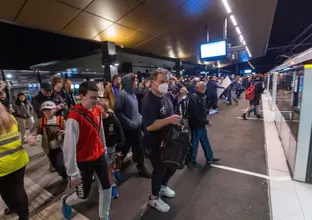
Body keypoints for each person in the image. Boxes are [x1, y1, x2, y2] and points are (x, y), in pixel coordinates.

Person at [61, 82, 111, 220]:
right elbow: (69, 148)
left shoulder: (97, 111)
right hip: (83, 162)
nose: (96, 101)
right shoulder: (74, 118)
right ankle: (66, 201)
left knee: (106, 188)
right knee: (83, 196)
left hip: (99, 156)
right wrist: (73, 173)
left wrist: (104, 148)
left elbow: (100, 132)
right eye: (93, 97)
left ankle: (104, 216)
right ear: (81, 96)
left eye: (97, 97)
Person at [142, 68, 182, 212]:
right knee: (160, 169)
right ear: (153, 82)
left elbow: (170, 108)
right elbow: (150, 126)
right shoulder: (148, 101)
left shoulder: (164, 95)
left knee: (171, 166)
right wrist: (169, 120)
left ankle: (163, 187)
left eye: (167, 81)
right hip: (154, 143)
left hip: (167, 140)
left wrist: (178, 98)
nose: (165, 84)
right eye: (162, 81)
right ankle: (153, 198)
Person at [114, 73, 151, 178]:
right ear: (128, 83)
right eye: (134, 81)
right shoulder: (122, 95)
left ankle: (141, 169)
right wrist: (128, 122)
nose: (136, 83)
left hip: (136, 127)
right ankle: (113, 171)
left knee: (139, 149)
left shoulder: (133, 94)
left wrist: (139, 117)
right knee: (123, 151)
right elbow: (118, 112)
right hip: (128, 129)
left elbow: (135, 109)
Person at [0, 102, 29, 220]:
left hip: (2, 165)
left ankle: (12, 207)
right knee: (18, 188)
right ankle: (24, 216)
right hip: (19, 160)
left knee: (4, 190)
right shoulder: (10, 118)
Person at [28, 101, 68, 184]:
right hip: (48, 148)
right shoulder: (40, 122)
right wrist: (32, 137)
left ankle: (66, 176)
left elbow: (68, 132)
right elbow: (34, 131)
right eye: (44, 110)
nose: (47, 111)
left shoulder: (61, 120)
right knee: (54, 164)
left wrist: (64, 133)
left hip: (60, 147)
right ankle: (63, 175)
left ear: (54, 110)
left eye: (49, 109)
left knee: (60, 164)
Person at [187, 82, 219, 166]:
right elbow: (195, 114)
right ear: (200, 88)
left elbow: (201, 110)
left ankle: (210, 157)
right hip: (196, 125)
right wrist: (206, 121)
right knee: (195, 143)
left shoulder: (199, 97)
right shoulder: (194, 98)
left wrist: (210, 111)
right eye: (204, 88)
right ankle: (192, 160)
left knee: (204, 141)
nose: (205, 89)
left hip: (200, 124)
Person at [98, 100, 125, 199]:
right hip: (102, 149)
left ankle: (114, 172)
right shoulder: (96, 120)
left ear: (104, 110)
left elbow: (119, 130)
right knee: (107, 167)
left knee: (112, 163)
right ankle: (112, 185)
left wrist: (121, 141)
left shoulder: (112, 119)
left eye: (99, 109)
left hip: (112, 146)